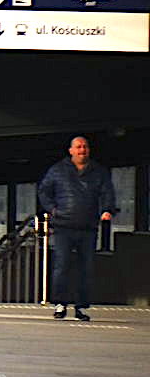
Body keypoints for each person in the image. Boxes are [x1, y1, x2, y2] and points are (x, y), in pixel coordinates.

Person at [37, 136, 116, 321]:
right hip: (64, 225)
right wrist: (53, 210)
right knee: (61, 266)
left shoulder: (98, 171)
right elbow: (44, 191)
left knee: (86, 268)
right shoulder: (58, 170)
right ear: (71, 150)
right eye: (79, 147)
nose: (82, 150)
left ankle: (81, 306)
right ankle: (60, 303)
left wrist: (107, 210)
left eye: (85, 147)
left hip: (88, 227)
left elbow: (108, 192)